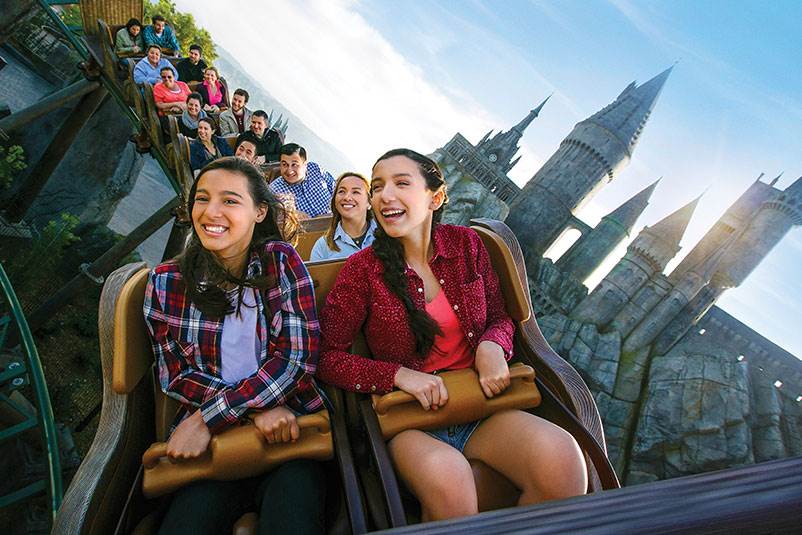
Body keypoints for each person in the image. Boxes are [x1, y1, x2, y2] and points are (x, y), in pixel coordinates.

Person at [317, 149, 588, 522]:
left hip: (477, 404)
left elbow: (500, 317)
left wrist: (492, 346)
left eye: (401, 183)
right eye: (377, 187)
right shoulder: (361, 270)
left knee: (562, 459)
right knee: (451, 480)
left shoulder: (467, 245)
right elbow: (326, 357)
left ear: (436, 197)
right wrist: (398, 375)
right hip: (410, 418)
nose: (384, 196)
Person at [143, 157, 327, 534]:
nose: (211, 212)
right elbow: (176, 374)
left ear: (260, 212)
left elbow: (296, 361)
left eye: (229, 200)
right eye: (202, 198)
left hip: (292, 431)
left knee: (293, 518)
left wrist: (208, 416)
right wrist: (253, 412)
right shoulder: (165, 282)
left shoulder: (280, 262)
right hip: (216, 442)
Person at [310, 172, 376, 261]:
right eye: (341, 191)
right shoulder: (322, 246)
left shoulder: (386, 235)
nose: (347, 197)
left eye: (355, 192)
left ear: (369, 202)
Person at [269, 144, 334, 219]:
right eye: (284, 164)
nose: (289, 171)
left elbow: (336, 189)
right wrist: (290, 215)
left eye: (294, 165)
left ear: (305, 165)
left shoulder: (315, 169)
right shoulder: (273, 190)